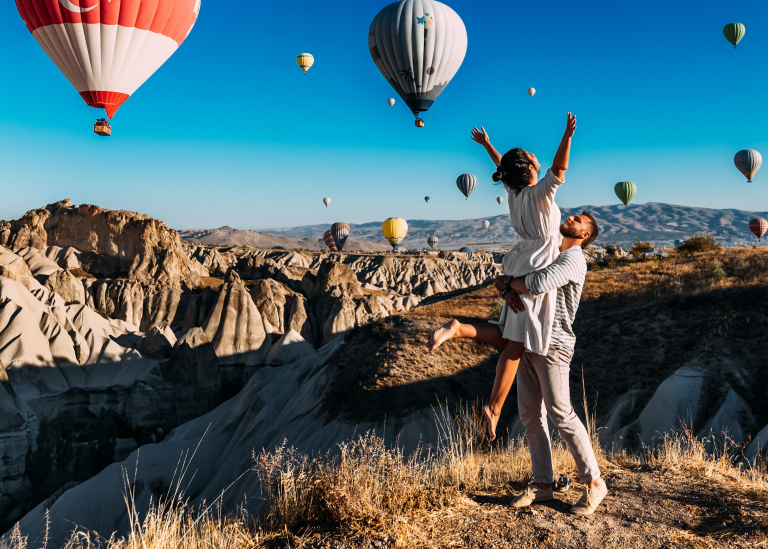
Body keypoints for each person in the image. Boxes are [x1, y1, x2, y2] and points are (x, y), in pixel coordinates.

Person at [427, 213, 608, 515]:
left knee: (561, 413)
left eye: (580, 220)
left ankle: (594, 483)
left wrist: (510, 283)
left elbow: (539, 282)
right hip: (528, 341)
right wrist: (506, 288)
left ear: (586, 235)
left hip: (553, 345)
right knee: (530, 415)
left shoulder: (574, 259)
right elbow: (517, 280)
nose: (572, 216)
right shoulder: (549, 252)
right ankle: (543, 485)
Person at [429, 113, 577, 442]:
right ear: (529, 169)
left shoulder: (514, 195)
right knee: (517, 343)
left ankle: (459, 329)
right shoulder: (540, 194)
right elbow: (560, 169)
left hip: (519, 263)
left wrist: (487, 146)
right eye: (532, 157)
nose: (538, 157)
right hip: (538, 267)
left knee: (510, 335)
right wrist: (566, 136)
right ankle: (494, 408)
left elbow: (504, 167)